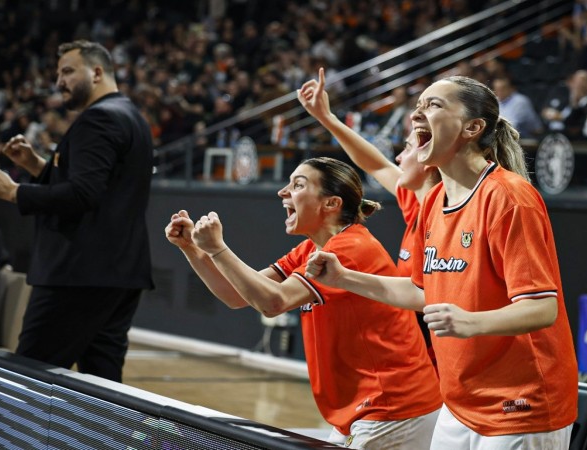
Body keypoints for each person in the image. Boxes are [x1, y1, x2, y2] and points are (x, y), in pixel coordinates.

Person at [305, 76, 578, 449]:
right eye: (418, 105)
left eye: (433, 105)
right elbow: (421, 291)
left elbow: (542, 308)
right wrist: (344, 278)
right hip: (459, 401)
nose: (416, 112)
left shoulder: (509, 197)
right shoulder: (433, 202)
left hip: (520, 402)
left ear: (472, 127)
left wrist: (470, 322)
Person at [164, 156, 441, 449]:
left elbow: (274, 303)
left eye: (298, 185)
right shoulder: (311, 248)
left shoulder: (351, 247)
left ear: (331, 203)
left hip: (394, 407)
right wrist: (193, 249)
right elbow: (236, 295)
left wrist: (218, 249)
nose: (282, 192)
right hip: (365, 409)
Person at [0, 40, 154, 382]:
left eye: (67, 71)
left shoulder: (98, 120)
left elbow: (82, 195)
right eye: (58, 74)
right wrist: (37, 166)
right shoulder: (131, 116)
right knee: (102, 384)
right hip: (117, 274)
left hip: (78, 274)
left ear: (96, 72)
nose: (59, 82)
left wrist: (14, 192)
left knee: (29, 379)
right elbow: (99, 187)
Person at [297, 67, 441, 369]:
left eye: (406, 148)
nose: (397, 158)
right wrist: (327, 118)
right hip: (426, 355)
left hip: (443, 357)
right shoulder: (416, 204)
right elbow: (375, 164)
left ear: (428, 159)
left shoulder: (448, 216)